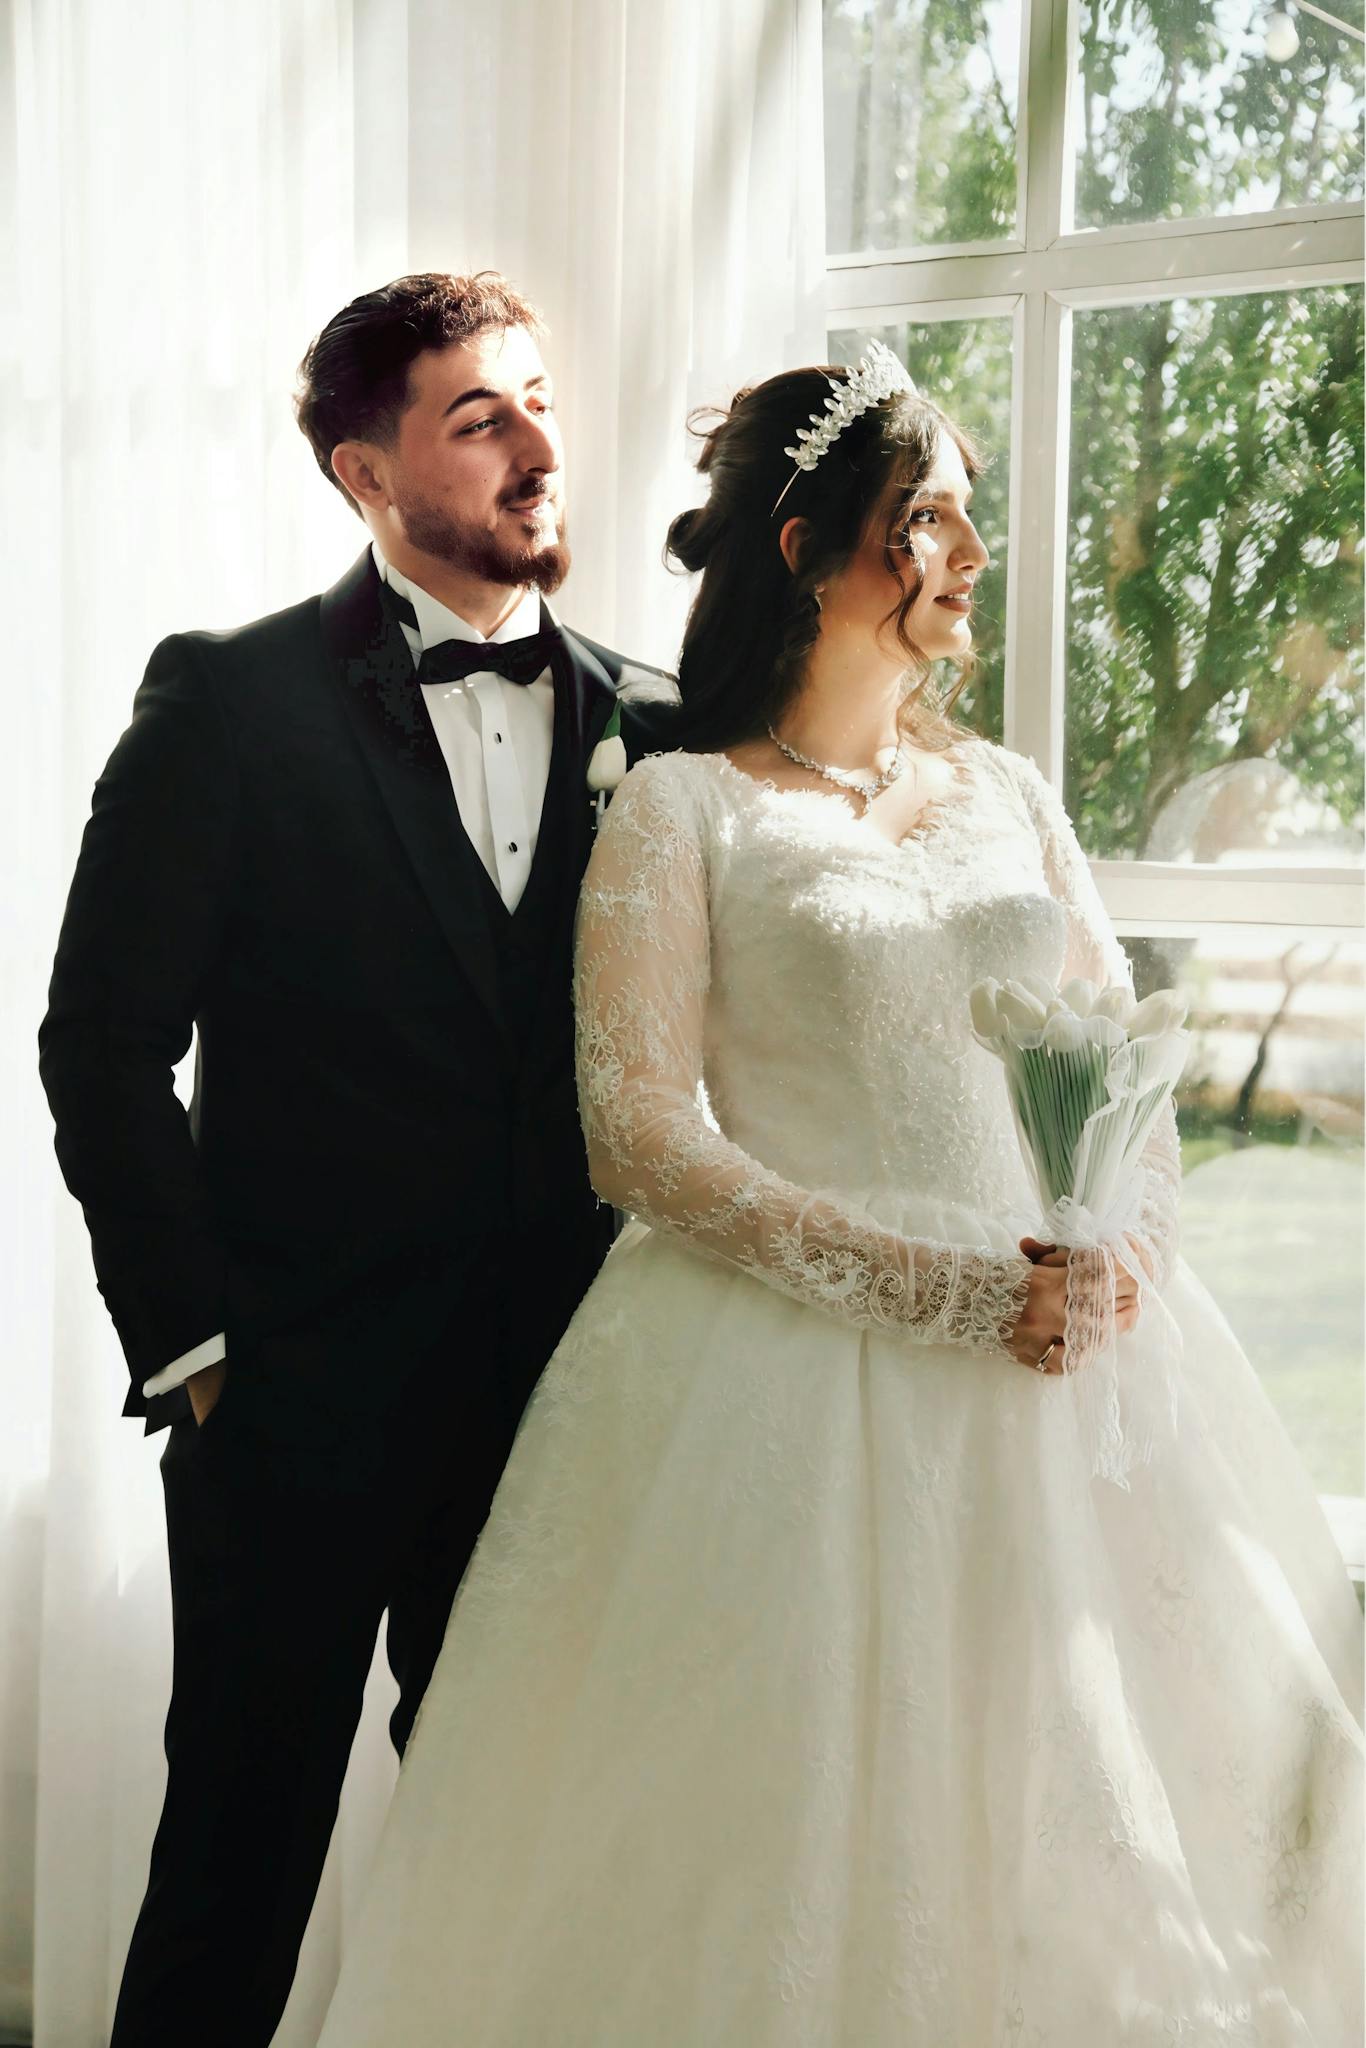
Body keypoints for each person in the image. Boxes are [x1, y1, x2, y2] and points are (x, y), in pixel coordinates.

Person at [313, 341, 1364, 2047]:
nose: (959, 554)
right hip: (771, 1390)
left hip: (1067, 1375)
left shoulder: (1013, 797)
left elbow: (1132, 1064)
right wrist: (938, 1289)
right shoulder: (678, 812)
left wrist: (1124, 1256)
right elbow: (638, 1136)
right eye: (924, 519)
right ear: (804, 550)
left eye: (962, 519)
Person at [38, 269, 677, 2048]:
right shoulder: (231, 705)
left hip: (567, 1410)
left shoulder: (661, 722)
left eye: (540, 398)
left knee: (526, 1864)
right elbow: (99, 1044)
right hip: (291, 1412)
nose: (540, 444)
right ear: (362, 473)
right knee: (237, 1872)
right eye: (481, 417)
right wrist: (197, 1348)